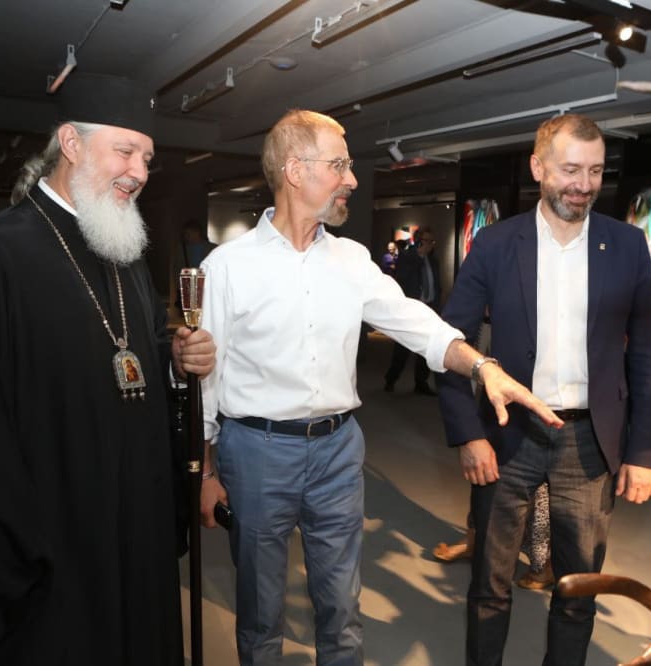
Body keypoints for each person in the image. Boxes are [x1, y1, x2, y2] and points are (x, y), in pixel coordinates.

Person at [196, 109, 562, 666]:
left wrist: (482, 367)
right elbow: (207, 377)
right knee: (261, 611)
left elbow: (419, 325)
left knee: (342, 609)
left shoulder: (352, 260)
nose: (352, 179)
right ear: (294, 170)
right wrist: (205, 471)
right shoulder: (227, 267)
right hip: (257, 453)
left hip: (339, 454)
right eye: (339, 165)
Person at [0, 74, 216, 666]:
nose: (140, 171)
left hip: (132, 521)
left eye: (147, 158)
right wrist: (18, 544)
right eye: (125, 151)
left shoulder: (124, 253)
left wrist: (174, 362)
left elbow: (136, 356)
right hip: (49, 534)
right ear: (71, 144)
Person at [437, 112, 651, 666]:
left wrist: (643, 452)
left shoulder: (628, 244)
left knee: (577, 591)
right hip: (507, 431)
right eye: (570, 170)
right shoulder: (495, 244)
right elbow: (450, 343)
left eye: (595, 171)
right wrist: (469, 434)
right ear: (538, 167)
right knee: (490, 586)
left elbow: (647, 353)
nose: (583, 185)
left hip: (589, 441)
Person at [384, 228, 441, 395]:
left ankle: (421, 382)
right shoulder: (407, 257)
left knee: (426, 348)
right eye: (427, 241)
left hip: (429, 308)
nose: (431, 244)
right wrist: (419, 257)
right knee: (403, 347)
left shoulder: (434, 261)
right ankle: (391, 379)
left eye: (432, 241)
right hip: (411, 308)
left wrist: (437, 303)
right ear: (419, 241)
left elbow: (436, 283)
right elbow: (402, 278)